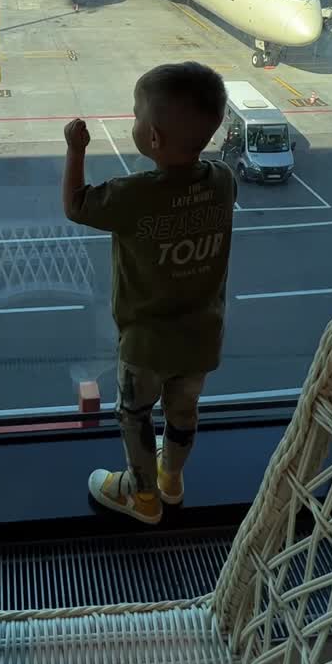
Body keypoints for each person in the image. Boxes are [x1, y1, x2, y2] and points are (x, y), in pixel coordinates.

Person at [62, 62, 236, 525]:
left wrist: (75, 149)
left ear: (153, 138)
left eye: (136, 114)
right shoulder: (222, 181)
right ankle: (172, 481)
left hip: (146, 345)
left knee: (135, 415)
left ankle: (142, 498)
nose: (132, 120)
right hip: (202, 338)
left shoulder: (133, 195)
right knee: (183, 413)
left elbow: (76, 204)